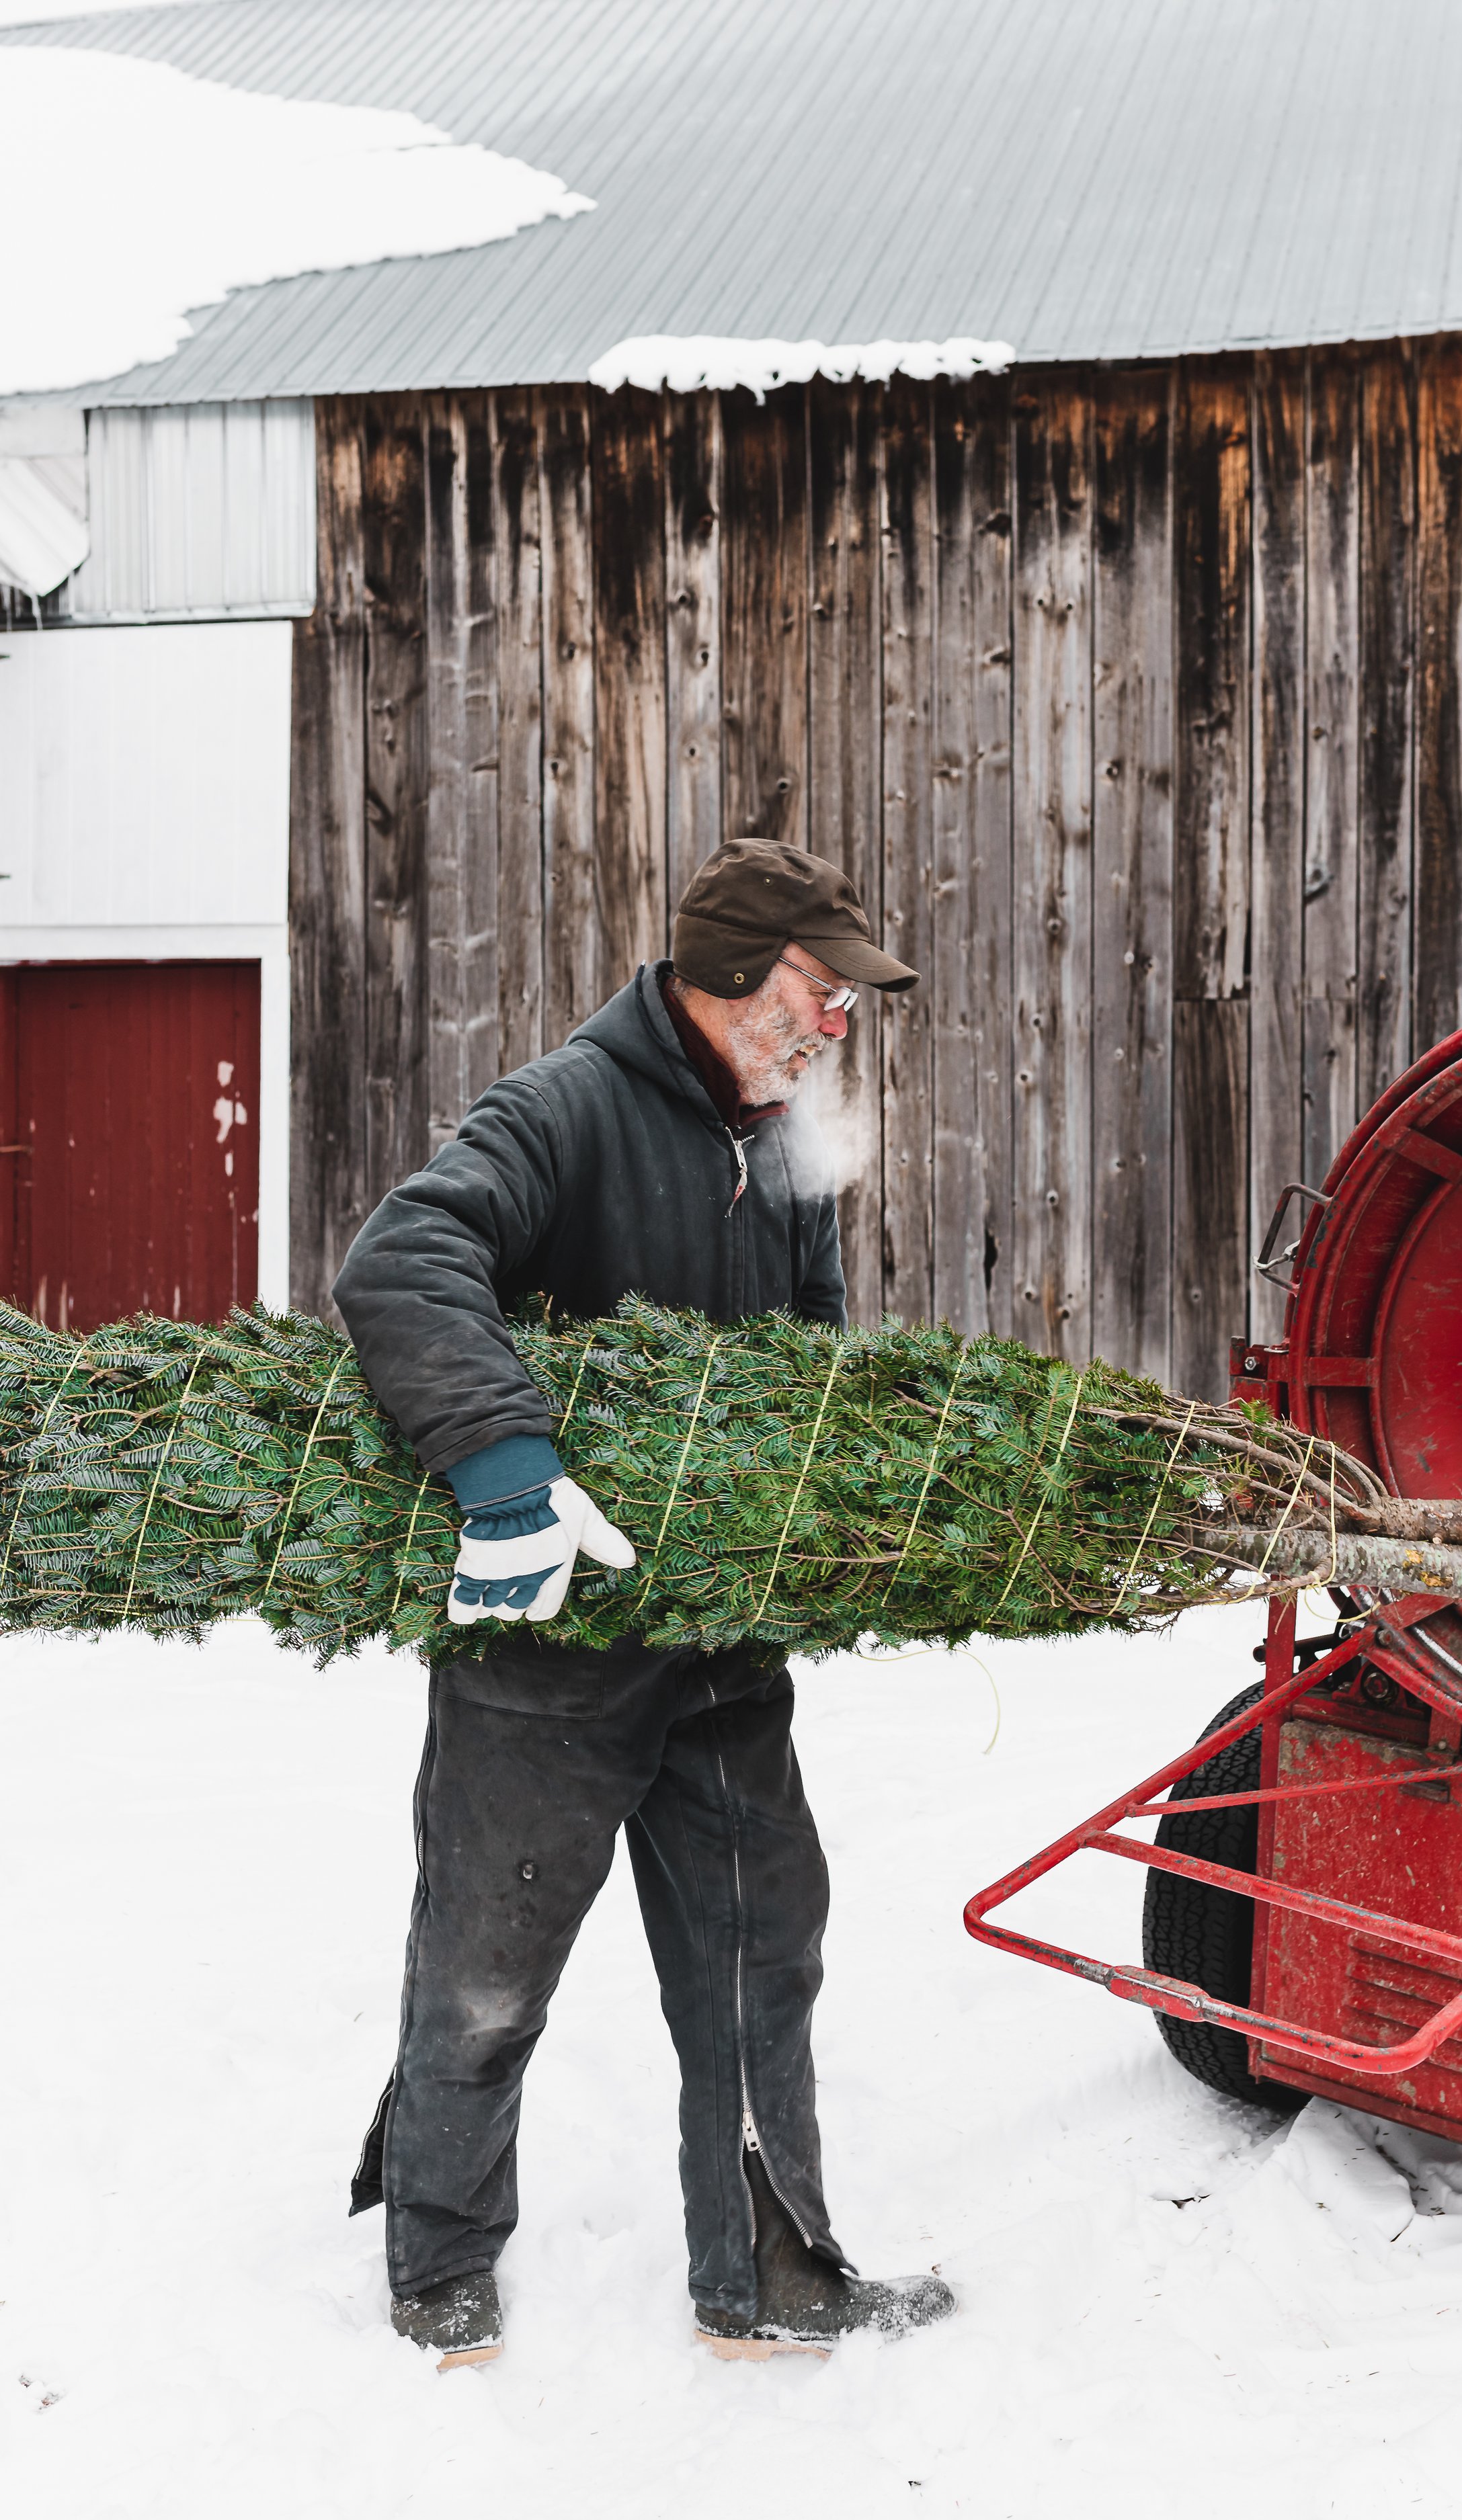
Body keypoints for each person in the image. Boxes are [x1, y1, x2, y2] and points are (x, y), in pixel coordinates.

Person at [333, 839, 957, 2370]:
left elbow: (809, 1355)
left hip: (719, 1651)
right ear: (732, 969)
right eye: (821, 993)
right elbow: (402, 1259)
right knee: (487, 1963)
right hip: (549, 1649)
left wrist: (824, 1513)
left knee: (760, 1957)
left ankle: (766, 2272)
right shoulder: (566, 1109)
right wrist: (505, 1467)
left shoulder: (785, 1134)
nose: (836, 1028)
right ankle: (438, 2263)